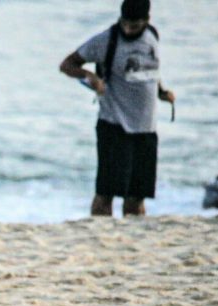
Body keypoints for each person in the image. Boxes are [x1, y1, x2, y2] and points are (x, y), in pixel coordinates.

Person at [59, 0, 175, 217]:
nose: (128, 29)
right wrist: (90, 76)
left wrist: (161, 92)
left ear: (146, 21)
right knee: (106, 193)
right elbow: (67, 64)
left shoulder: (152, 36)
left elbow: (149, 70)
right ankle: (99, 237)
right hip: (115, 125)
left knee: (136, 197)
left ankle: (133, 244)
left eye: (135, 25)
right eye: (125, 24)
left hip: (146, 128)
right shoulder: (106, 40)